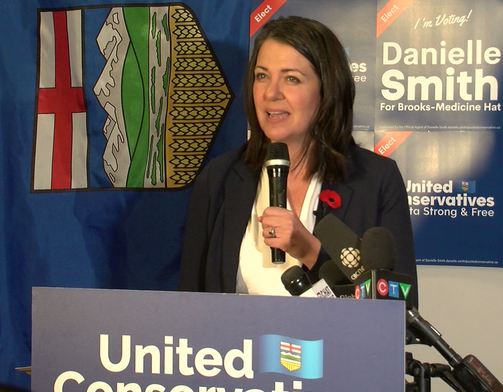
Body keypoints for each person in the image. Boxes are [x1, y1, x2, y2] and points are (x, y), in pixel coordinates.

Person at [177, 15, 418, 307]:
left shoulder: (376, 180)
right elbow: (190, 305)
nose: (271, 93)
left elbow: (400, 311)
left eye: (291, 78)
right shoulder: (220, 177)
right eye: (262, 76)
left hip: (334, 339)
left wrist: (310, 251)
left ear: (327, 90)